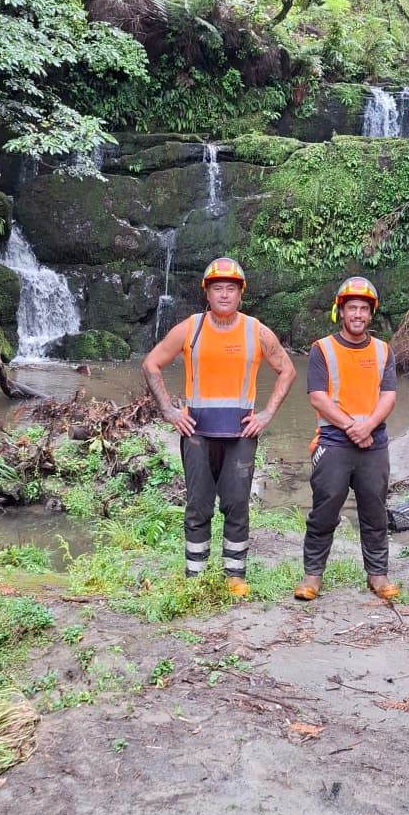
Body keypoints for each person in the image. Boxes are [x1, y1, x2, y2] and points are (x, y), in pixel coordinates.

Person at [142, 256, 296, 598]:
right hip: (196, 434)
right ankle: (194, 576)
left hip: (240, 435)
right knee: (198, 505)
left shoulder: (256, 331)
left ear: (240, 294)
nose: (224, 295)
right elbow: (151, 363)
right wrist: (169, 411)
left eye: (230, 288)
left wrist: (267, 414)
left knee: (237, 504)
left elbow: (287, 370)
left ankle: (234, 576)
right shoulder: (190, 328)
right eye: (217, 288)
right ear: (207, 293)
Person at [294, 276, 398, 602]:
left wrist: (367, 427)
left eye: (363, 309)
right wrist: (354, 427)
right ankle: (312, 577)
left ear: (371, 314)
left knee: (375, 512)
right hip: (334, 442)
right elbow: (317, 397)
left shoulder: (383, 351)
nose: (357, 314)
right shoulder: (321, 349)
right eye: (351, 308)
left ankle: (378, 576)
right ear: (341, 311)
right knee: (324, 510)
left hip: (373, 443)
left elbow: (389, 396)